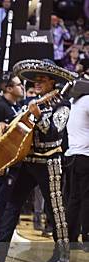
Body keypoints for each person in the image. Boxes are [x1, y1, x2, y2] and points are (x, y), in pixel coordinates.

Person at [0, 59, 77, 262]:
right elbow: (20, 124)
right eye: (36, 80)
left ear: (52, 83)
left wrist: (39, 117)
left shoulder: (62, 104)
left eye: (42, 80)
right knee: (12, 203)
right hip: (29, 160)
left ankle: (62, 252)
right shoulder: (35, 101)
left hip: (49, 162)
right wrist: (5, 125)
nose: (37, 83)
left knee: (55, 208)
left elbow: (55, 131)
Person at [0, 75, 24, 241]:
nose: (22, 87)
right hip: (3, 159)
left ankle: (10, 231)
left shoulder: (18, 106)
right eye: (19, 84)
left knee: (12, 196)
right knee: (1, 196)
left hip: (16, 158)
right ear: (9, 88)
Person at [66, 88, 89, 252]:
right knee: (87, 200)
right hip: (85, 156)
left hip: (72, 156)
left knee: (74, 199)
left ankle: (71, 238)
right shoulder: (87, 101)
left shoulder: (74, 102)